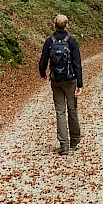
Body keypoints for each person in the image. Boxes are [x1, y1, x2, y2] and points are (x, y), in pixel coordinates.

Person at [38, 14, 83, 155]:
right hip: (70, 80)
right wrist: (79, 84)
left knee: (60, 111)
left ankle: (64, 144)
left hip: (56, 80)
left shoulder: (49, 42)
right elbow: (77, 64)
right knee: (72, 109)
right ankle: (75, 140)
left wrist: (43, 73)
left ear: (54, 25)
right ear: (67, 26)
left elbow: (43, 61)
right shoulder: (71, 42)